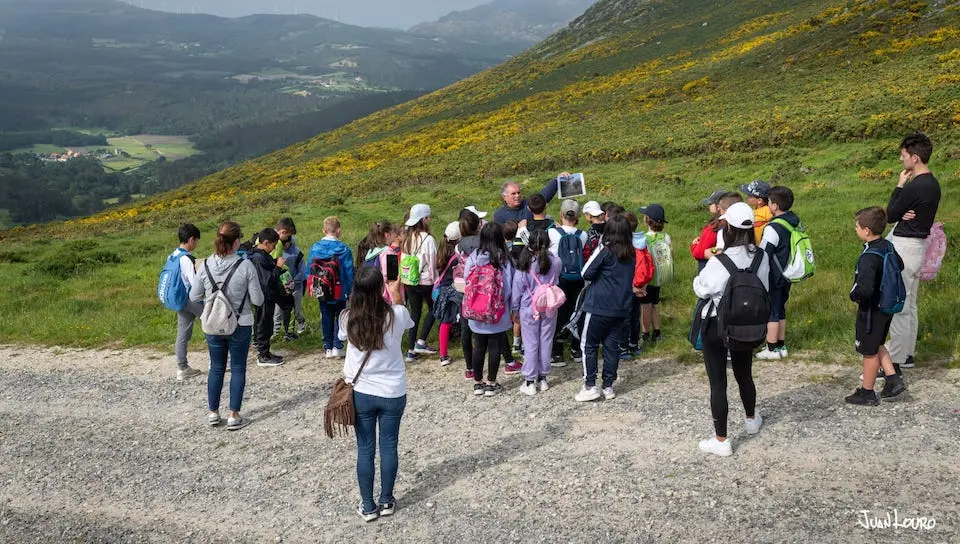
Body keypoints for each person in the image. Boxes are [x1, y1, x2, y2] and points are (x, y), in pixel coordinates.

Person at [693, 202, 770, 456]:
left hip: (717, 323)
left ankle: (722, 439)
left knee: (718, 382)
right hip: (747, 323)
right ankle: (750, 419)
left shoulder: (720, 260)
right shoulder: (761, 257)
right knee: (744, 373)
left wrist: (698, 277)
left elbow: (703, 288)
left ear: (729, 228)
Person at [339, 267, 413, 522]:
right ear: (381, 286)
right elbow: (406, 322)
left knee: (365, 448)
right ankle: (387, 500)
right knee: (389, 445)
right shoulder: (396, 314)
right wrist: (396, 295)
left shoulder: (347, 318)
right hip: (393, 390)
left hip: (362, 391)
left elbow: (342, 338)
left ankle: (368, 506)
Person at [190, 221, 264, 430]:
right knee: (238, 367)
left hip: (212, 324)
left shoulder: (204, 265)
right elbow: (258, 300)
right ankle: (234, 415)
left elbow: (194, 296)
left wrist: (212, 301)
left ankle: (213, 412)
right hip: (240, 323)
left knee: (216, 367)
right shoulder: (246, 265)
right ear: (237, 241)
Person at [884, 132, 941, 369]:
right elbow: (898, 213)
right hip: (918, 247)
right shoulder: (933, 184)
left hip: (905, 247)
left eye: (904, 155)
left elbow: (889, 215)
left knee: (899, 304)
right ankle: (907, 354)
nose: (901, 159)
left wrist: (899, 186)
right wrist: (901, 212)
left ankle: (894, 359)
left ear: (915, 158)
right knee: (911, 302)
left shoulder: (915, 186)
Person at [846, 207, 908, 405]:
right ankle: (892, 379)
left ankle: (868, 392)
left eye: (857, 226)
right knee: (878, 343)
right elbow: (900, 265)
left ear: (866, 231)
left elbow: (864, 290)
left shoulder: (868, 257)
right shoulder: (887, 246)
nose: (855, 229)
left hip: (871, 310)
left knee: (869, 351)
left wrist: (853, 295)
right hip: (886, 306)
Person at [575, 214, 635, 402]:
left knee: (588, 344)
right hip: (621, 307)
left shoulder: (605, 250)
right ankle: (608, 386)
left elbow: (586, 272)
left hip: (598, 306)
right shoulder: (631, 253)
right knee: (612, 347)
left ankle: (590, 385)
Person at [464, 222, 515, 397]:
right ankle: (491, 383)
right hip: (497, 313)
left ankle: (478, 383)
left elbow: (466, 279)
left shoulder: (473, 257)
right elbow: (509, 287)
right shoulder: (504, 259)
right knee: (495, 347)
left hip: (476, 312)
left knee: (479, 346)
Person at [512, 230, 561, 395]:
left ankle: (529, 380)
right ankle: (543, 378)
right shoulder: (556, 261)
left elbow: (517, 288)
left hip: (529, 307)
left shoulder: (525, 263)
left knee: (531, 343)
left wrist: (514, 308)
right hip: (549, 306)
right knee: (546, 341)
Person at [757, 186, 800, 360]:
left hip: (774, 274)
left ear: (774, 205)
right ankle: (781, 345)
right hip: (788, 272)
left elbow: (764, 253)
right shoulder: (794, 221)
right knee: (781, 308)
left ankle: (771, 348)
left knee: (772, 311)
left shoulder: (773, 227)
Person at [307, 216, 355, 359]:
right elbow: (348, 271)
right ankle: (337, 346)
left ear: (324, 230)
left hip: (322, 288)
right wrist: (350, 289)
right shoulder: (344, 249)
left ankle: (327, 347)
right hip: (339, 289)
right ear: (338, 231)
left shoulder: (315, 247)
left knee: (326, 315)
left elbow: (309, 269)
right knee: (340, 316)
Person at [548, 199, 587, 366]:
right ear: (578, 217)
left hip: (560, 278)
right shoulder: (583, 235)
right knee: (576, 313)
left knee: (559, 314)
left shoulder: (552, 233)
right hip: (578, 279)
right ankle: (576, 349)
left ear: (561, 214)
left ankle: (557, 353)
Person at [400, 204, 439, 362]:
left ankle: (410, 350)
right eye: (428, 217)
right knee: (434, 308)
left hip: (409, 279)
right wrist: (435, 281)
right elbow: (432, 263)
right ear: (424, 219)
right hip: (425, 281)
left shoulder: (407, 238)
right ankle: (421, 341)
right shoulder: (428, 239)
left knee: (415, 312)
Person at [248, 228, 286, 367]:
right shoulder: (258, 258)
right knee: (263, 323)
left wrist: (274, 263)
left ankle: (266, 352)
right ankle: (263, 355)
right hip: (263, 296)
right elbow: (267, 280)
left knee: (265, 323)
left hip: (266, 296)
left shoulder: (261, 255)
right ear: (265, 243)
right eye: (273, 245)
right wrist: (278, 267)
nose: (274, 248)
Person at [170, 223, 203, 380]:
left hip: (179, 299)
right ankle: (217, 363)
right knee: (212, 324)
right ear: (191, 239)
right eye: (196, 241)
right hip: (191, 299)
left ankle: (182, 368)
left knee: (182, 333)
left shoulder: (173, 255)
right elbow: (195, 283)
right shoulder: (186, 259)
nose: (196, 244)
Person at [622, 212, 655, 359]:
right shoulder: (642, 240)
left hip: (627, 285)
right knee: (635, 314)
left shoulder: (625, 244)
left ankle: (623, 348)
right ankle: (634, 345)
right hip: (641, 283)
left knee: (625, 317)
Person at [638, 203, 671, 343]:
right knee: (655, 305)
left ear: (646, 219)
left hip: (646, 278)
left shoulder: (643, 238)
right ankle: (657, 332)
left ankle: (645, 333)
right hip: (659, 277)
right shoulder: (666, 237)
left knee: (645, 306)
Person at [434, 221, 463, 367]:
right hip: (455, 290)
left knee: (445, 323)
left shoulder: (441, 251)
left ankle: (443, 355)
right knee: (464, 319)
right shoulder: (456, 255)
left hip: (443, 291)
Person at [457, 209, 482, 379]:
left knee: (465, 329)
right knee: (482, 328)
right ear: (479, 225)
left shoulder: (458, 246)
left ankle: (469, 366)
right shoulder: (483, 243)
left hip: (464, 290)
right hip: (482, 288)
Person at [273, 217, 307, 338]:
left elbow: (303, 271)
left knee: (296, 310)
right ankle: (276, 332)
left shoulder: (297, 252)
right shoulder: (275, 250)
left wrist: (295, 281)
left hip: (296, 286)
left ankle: (301, 323)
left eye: (288, 242)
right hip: (280, 287)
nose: (286, 245)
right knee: (277, 311)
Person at [493, 174, 565, 225]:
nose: (517, 196)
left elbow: (544, 196)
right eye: (513, 194)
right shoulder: (499, 215)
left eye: (518, 192)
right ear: (504, 197)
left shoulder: (528, 204)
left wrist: (557, 180)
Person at [690, 190, 725, 272]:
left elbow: (699, 252)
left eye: (710, 204)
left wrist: (695, 245)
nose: (709, 205)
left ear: (718, 206)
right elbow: (718, 249)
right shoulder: (728, 223)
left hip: (708, 266)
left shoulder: (713, 228)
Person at [739, 180, 773, 244]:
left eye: (749, 196)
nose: (747, 197)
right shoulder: (759, 209)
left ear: (759, 200)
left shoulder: (767, 211)